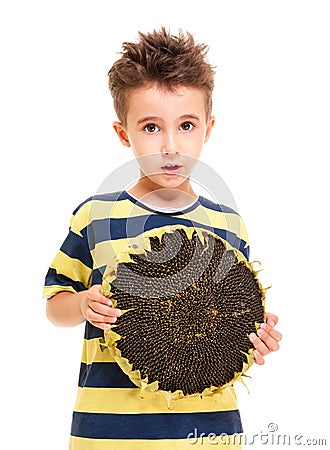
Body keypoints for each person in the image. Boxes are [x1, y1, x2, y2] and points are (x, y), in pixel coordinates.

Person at [44, 28, 282, 449]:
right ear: (124, 133)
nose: (171, 146)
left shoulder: (229, 225)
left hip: (209, 433)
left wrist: (258, 339)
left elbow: (235, 318)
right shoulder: (97, 216)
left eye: (186, 125)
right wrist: (83, 303)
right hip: (110, 434)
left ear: (208, 128)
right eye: (151, 127)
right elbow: (55, 304)